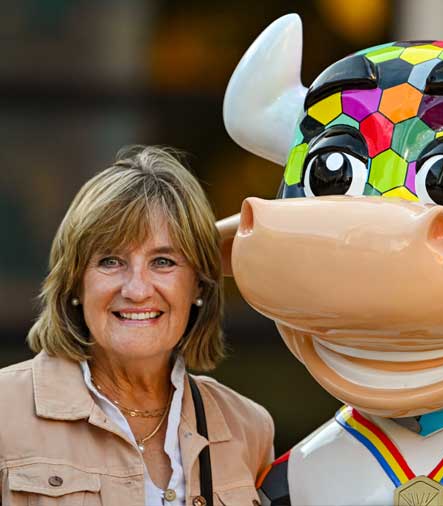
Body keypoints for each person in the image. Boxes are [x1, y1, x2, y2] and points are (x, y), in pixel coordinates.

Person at [0, 146, 274, 505]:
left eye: (163, 261)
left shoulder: (247, 428)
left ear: (198, 285)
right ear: (75, 283)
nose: (137, 290)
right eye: (110, 261)